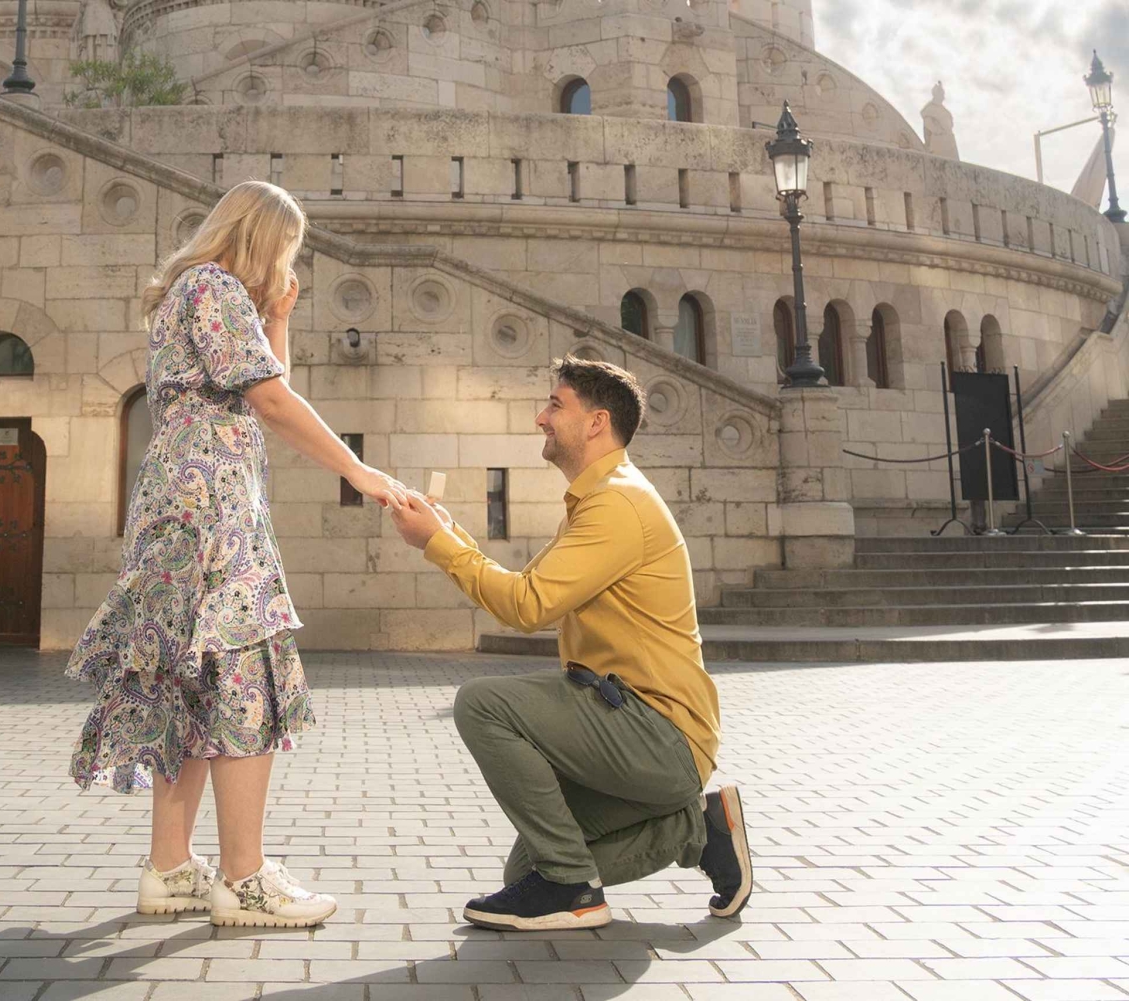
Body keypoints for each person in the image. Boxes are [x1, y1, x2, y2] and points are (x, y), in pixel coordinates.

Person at [65, 180, 407, 929]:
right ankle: (245, 879)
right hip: (213, 503)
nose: (289, 266)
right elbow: (274, 402)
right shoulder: (215, 286)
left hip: (178, 500)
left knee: (188, 674)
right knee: (242, 669)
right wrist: (359, 470)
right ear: (264, 241)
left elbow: (266, 384)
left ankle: (170, 865)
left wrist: (279, 315)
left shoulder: (189, 292)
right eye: (287, 252)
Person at [389, 357, 752, 931]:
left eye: (555, 405)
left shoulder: (617, 505)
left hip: (655, 731)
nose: (541, 417)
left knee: (483, 704)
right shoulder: (600, 499)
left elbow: (526, 607)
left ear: (595, 422)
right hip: (637, 728)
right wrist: (446, 534)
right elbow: (525, 588)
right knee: (524, 872)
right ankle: (697, 831)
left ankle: (573, 889)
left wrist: (436, 545)